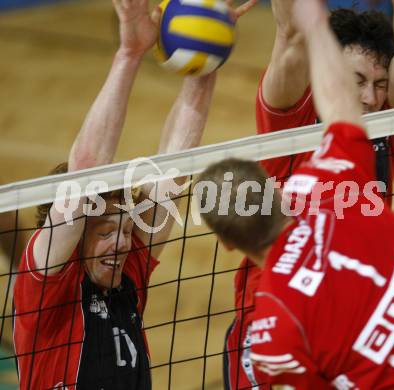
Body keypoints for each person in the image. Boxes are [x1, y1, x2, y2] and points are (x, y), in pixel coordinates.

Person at [12, 0, 255, 388]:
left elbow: (174, 171)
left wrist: (206, 64)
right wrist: (129, 53)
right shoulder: (47, 288)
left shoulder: (128, 276)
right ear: (74, 238)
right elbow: (84, 178)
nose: (122, 244)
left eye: (125, 230)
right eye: (106, 231)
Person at [197, 0, 394, 388]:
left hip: (362, 318)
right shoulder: (291, 117)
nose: (370, 99)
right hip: (276, 315)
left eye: (380, 84)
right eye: (356, 80)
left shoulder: (385, 127)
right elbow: (292, 33)